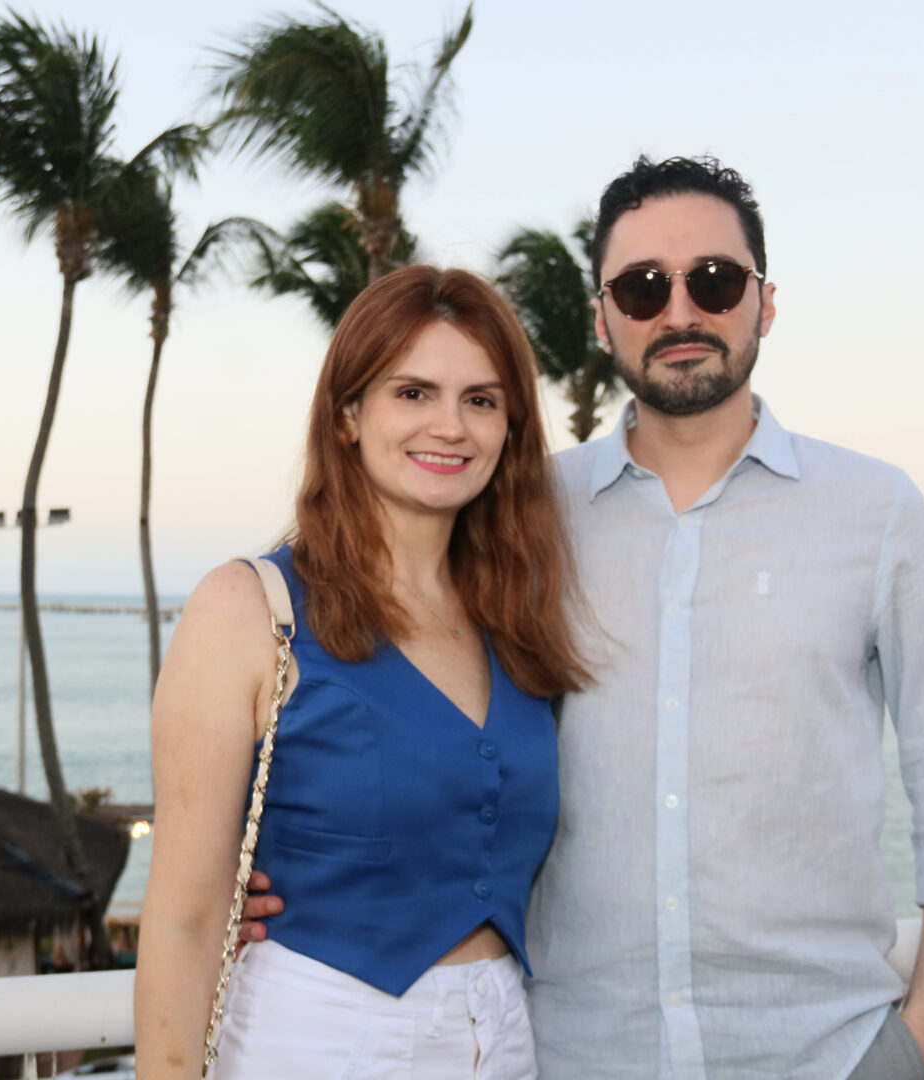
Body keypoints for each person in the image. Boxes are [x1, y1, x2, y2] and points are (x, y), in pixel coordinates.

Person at [243, 157, 924, 1079]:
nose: (680, 312)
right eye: (644, 287)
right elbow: (403, 708)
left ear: (765, 303)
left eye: (715, 281)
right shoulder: (520, 514)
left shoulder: (877, 512)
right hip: (574, 1056)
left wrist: (920, 1039)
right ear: (602, 317)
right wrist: (258, 870)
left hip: (828, 1053)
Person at [136, 266, 590, 1080]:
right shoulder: (246, 608)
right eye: (413, 393)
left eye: (481, 400)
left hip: (505, 1041)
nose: (450, 426)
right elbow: (182, 918)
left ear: (509, 428)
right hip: (317, 1038)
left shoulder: (517, 620)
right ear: (348, 414)